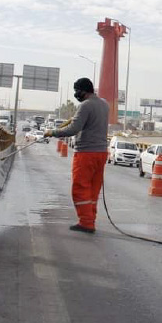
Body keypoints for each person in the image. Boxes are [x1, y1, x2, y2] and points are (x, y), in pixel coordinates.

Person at [45, 78, 110, 234]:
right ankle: (90, 219)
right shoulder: (104, 104)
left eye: (77, 91)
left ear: (83, 90)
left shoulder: (85, 105)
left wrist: (53, 132)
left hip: (86, 153)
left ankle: (86, 223)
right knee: (93, 189)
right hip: (101, 153)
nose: (76, 94)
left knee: (80, 187)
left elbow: (73, 129)